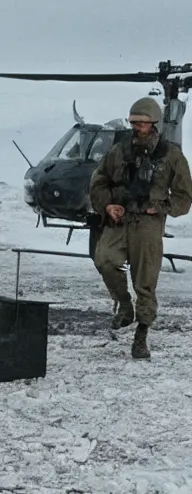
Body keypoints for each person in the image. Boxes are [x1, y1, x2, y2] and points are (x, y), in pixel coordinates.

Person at [90, 97, 192, 359]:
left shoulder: (171, 155)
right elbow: (99, 182)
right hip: (121, 218)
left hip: (148, 223)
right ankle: (124, 305)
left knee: (145, 281)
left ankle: (141, 334)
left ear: (154, 122)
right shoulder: (119, 151)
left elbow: (184, 197)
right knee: (104, 259)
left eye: (144, 122)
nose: (138, 127)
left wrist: (161, 208)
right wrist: (108, 206)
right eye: (134, 122)